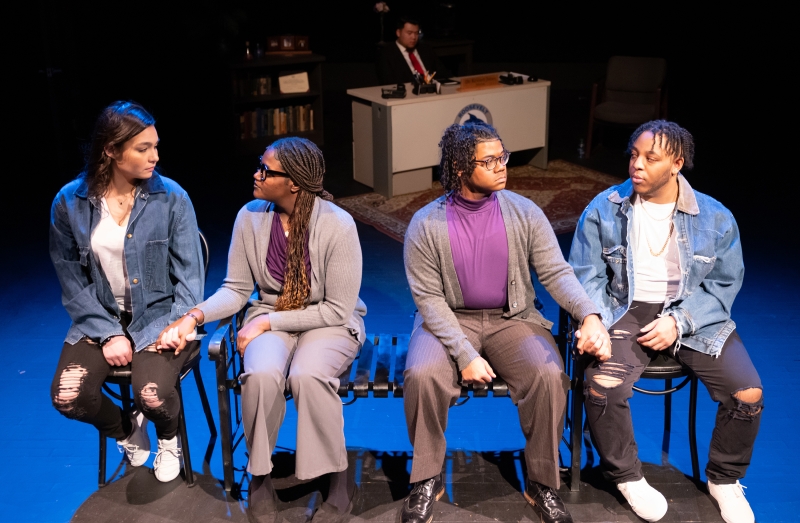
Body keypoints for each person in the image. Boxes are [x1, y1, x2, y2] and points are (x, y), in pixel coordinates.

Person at [401, 121, 611, 523]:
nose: (502, 166)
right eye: (490, 160)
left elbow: (556, 272)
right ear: (462, 167)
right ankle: (426, 478)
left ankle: (542, 483)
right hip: (447, 320)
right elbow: (428, 299)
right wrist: (463, 354)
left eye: (503, 156)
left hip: (510, 318)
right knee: (422, 374)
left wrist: (589, 314)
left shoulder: (523, 211)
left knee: (549, 376)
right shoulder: (426, 224)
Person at [159, 137, 366, 523]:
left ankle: (338, 478)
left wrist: (270, 321)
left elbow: (336, 308)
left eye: (266, 170)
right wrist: (194, 317)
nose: (257, 174)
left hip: (329, 321)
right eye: (260, 165)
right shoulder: (251, 216)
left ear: (294, 182)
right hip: (269, 316)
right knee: (261, 373)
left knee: (308, 375)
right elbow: (236, 289)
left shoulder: (338, 225)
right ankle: (260, 475)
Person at [568, 120, 762, 523]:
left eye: (650, 158)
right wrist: (596, 321)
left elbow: (724, 285)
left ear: (676, 163)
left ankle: (724, 479)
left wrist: (681, 320)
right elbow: (584, 275)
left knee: (748, 394)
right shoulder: (604, 209)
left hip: (695, 315)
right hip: (625, 310)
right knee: (602, 387)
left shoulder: (715, 216)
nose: (636, 165)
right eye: (634, 155)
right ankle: (627, 476)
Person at [49, 101, 205, 483]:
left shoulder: (171, 197)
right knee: (69, 397)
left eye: (155, 146)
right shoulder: (70, 202)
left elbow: (190, 276)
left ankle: (169, 439)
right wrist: (108, 332)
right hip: (99, 318)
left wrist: (182, 323)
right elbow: (71, 280)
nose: (155, 156)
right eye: (143, 148)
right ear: (111, 151)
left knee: (151, 393)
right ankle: (125, 429)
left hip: (161, 318)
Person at [376, 16, 450, 85]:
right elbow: (388, 82)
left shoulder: (426, 49)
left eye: (416, 33)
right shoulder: (387, 53)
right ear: (398, 33)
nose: (414, 37)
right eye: (409, 33)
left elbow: (443, 73)